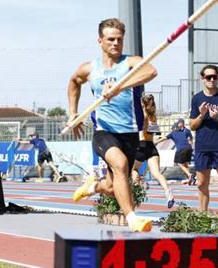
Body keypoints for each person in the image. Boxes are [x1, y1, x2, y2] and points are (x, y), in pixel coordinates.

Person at [67, 17, 157, 232]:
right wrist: (73, 113)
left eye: (119, 39)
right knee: (120, 164)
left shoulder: (130, 63)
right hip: (104, 131)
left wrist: (120, 86)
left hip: (130, 133)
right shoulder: (90, 69)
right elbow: (73, 83)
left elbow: (151, 71)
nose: (115, 43)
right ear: (100, 41)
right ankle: (132, 217)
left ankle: (94, 186)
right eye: (110, 39)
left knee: (111, 185)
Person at [189, 64, 218, 218]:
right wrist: (202, 115)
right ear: (203, 79)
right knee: (201, 184)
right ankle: (202, 217)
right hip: (202, 146)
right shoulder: (197, 99)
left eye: (214, 76)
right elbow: (192, 126)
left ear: (217, 77)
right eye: (208, 77)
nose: (211, 79)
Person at [132, 94, 175, 209]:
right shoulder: (154, 117)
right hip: (151, 146)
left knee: (134, 169)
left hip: (141, 145)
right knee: (156, 173)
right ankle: (168, 192)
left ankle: (137, 191)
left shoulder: (143, 116)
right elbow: (155, 132)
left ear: (143, 104)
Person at [156, 118, 195, 185]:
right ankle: (190, 180)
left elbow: (163, 138)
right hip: (189, 148)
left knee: (179, 163)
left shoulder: (173, 133)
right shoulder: (184, 132)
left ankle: (189, 175)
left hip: (181, 148)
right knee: (185, 164)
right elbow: (190, 140)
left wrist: (155, 142)